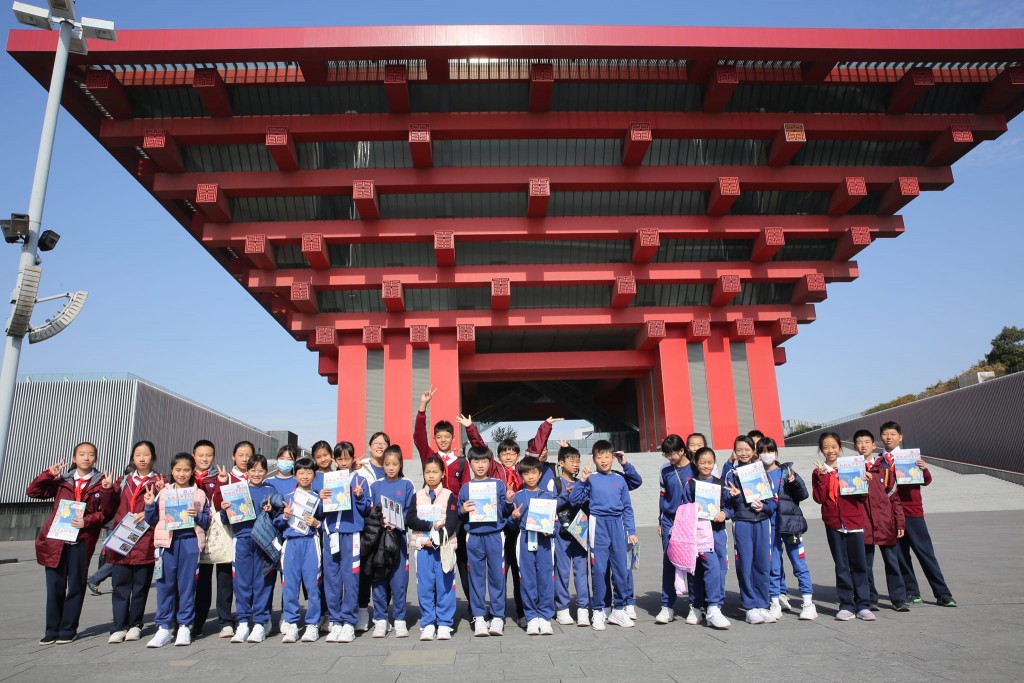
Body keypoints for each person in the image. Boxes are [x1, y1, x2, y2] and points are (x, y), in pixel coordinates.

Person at [27, 442, 114, 645]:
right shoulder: (62, 481)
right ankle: (51, 629)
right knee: (55, 586)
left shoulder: (101, 482)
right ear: (74, 458)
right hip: (57, 539)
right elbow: (33, 492)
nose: (86, 458)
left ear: (96, 458)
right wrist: (49, 474)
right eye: (82, 454)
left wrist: (89, 518)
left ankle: (68, 629)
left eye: (91, 454)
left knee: (76, 585)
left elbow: (107, 512)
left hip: (81, 540)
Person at [880, 422, 956, 607]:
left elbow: (926, 480)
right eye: (885, 434)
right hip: (891, 515)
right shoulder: (878, 461)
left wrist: (923, 469)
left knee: (925, 553)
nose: (889, 437)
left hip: (912, 512)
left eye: (893, 434)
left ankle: (942, 593)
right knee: (901, 556)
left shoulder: (911, 457)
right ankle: (911, 591)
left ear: (900, 437)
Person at [569, 440, 637, 631]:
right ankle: (598, 611)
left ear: (613, 458)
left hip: (617, 525)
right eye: (599, 457)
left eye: (607, 456)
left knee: (621, 569)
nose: (604, 460)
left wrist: (631, 531)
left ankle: (619, 609)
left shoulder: (620, 479)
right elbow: (574, 499)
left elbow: (627, 507)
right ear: (594, 459)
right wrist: (582, 480)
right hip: (597, 524)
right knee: (599, 570)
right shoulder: (591, 479)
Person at [145, 453, 212, 647]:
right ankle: (164, 627)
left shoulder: (199, 494)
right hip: (167, 545)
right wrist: (149, 506)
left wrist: (197, 515)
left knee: (187, 586)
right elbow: (152, 520)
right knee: (164, 585)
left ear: (192, 472)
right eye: (178, 470)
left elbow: (207, 521)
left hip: (189, 543)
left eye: (186, 470)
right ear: (172, 471)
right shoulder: (163, 493)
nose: (182, 474)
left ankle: (184, 626)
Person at [218, 451, 280, 643]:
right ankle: (243, 622)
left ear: (266, 471)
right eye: (253, 470)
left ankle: (260, 623)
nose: (257, 474)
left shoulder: (271, 490)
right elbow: (225, 519)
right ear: (247, 471)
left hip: (263, 541)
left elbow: (278, 517)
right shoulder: (237, 490)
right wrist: (225, 509)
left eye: (261, 470)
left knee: (263, 582)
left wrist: (271, 510)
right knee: (242, 583)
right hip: (242, 540)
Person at [811, 432, 873, 622]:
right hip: (834, 523)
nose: (830, 450)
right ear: (821, 450)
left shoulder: (853, 467)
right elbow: (819, 498)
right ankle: (846, 604)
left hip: (854, 521)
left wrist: (864, 482)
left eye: (833, 447)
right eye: (825, 447)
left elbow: (862, 497)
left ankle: (863, 604)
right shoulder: (818, 472)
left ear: (840, 448)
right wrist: (823, 477)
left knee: (859, 565)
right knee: (842, 565)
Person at [107, 441, 164, 643]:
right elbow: (108, 507)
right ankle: (118, 626)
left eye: (146, 454)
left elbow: (165, 512)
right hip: (122, 538)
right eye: (138, 454)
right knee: (120, 585)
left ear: (153, 457)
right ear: (133, 458)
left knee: (140, 586)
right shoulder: (123, 481)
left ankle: (135, 625)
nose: (142, 458)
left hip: (145, 540)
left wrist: (150, 508)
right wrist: (107, 490)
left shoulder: (160, 481)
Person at [457, 444, 513, 637]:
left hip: (495, 535)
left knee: (497, 576)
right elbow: (459, 512)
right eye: (476, 461)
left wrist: (509, 501)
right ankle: (479, 616)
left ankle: (497, 616)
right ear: (470, 463)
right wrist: (463, 510)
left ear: (490, 463)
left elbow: (505, 512)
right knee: (476, 578)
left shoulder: (498, 484)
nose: (480, 465)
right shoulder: (466, 488)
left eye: (484, 461)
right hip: (474, 536)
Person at [758, 437, 816, 620]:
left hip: (790, 525)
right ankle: (775, 602)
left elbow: (803, 494)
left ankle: (808, 603)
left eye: (769, 450)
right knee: (773, 566)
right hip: (769, 525)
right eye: (762, 451)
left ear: (776, 452)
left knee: (799, 564)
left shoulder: (787, 471)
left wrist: (794, 482)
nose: (766, 455)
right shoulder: (757, 475)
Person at [369, 445, 423, 638]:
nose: (391, 467)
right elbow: (371, 511)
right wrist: (379, 520)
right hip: (379, 540)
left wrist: (397, 523)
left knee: (399, 580)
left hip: (398, 539)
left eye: (394, 464)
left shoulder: (407, 484)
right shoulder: (375, 486)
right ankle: (380, 619)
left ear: (400, 464)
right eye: (387, 464)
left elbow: (410, 511)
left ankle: (399, 619)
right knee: (379, 579)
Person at [854, 429, 909, 612]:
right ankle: (870, 598)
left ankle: (898, 598)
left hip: (885, 523)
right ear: (855, 446)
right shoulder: (851, 470)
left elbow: (894, 497)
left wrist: (900, 522)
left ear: (873, 445)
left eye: (866, 442)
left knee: (892, 562)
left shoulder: (884, 469)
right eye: (859, 442)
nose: (863, 446)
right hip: (863, 523)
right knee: (865, 564)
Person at [724, 435, 777, 625]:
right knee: (745, 564)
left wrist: (765, 507)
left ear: (754, 451)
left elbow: (773, 502)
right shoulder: (731, 475)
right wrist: (735, 497)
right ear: (734, 452)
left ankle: (762, 604)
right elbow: (726, 502)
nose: (743, 453)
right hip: (742, 522)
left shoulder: (761, 472)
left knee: (762, 564)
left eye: (747, 449)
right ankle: (749, 607)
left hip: (762, 522)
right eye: (739, 450)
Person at [322, 441, 370, 643]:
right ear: (334, 460)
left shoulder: (360, 480)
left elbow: (367, 509)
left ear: (353, 459)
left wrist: (359, 496)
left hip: (351, 534)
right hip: (330, 533)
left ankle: (349, 621)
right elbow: (318, 510)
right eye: (339, 459)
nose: (343, 462)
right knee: (332, 578)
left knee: (350, 578)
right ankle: (335, 620)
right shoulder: (327, 480)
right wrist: (320, 497)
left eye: (347, 458)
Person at [679, 446, 732, 629]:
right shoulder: (691, 484)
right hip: (699, 533)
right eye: (703, 462)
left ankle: (714, 607)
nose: (706, 466)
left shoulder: (720, 483)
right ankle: (698, 606)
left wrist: (725, 513)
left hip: (717, 532)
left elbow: (729, 506)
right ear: (695, 463)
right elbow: (684, 507)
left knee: (719, 569)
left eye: (710, 462)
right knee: (699, 569)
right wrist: (693, 511)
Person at [409, 456, 461, 641]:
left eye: (435, 472)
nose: (431, 476)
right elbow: (411, 519)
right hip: (423, 548)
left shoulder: (449, 495)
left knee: (445, 585)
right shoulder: (417, 496)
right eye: (428, 472)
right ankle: (428, 622)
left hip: (444, 548)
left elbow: (453, 521)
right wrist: (430, 527)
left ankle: (445, 623)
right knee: (425, 586)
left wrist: (438, 538)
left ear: (442, 474)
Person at [276, 457, 324, 643]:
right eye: (301, 473)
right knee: (290, 586)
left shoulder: (318, 498)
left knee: (313, 585)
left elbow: (325, 522)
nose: (305, 476)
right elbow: (277, 523)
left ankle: (312, 624)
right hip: (291, 544)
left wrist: (317, 523)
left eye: (309, 472)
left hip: (310, 543)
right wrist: (284, 516)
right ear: (294, 475)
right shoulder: (287, 497)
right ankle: (292, 623)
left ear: (314, 476)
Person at [509, 456, 557, 635]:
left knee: (545, 579)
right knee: (527, 579)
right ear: (521, 475)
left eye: (534, 473)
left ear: (540, 474)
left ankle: (545, 617)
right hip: (525, 540)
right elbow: (510, 525)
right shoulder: (518, 496)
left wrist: (550, 530)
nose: (530, 477)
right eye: (526, 473)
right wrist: (513, 517)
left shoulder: (548, 496)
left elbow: (556, 524)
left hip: (544, 543)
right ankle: (531, 617)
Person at [192, 439, 234, 638]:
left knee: (224, 578)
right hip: (196, 534)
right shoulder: (186, 476)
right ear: (194, 456)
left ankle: (225, 620)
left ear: (214, 457)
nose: (204, 459)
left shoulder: (220, 477)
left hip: (220, 532)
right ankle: (197, 621)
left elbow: (222, 503)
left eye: (208, 455)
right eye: (201, 455)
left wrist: (222, 483)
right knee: (201, 581)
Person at [656, 434, 694, 624]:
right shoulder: (665, 470)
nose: (670, 457)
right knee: (669, 562)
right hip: (670, 521)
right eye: (667, 454)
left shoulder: (694, 467)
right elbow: (663, 496)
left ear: (682, 450)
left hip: (690, 521)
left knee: (693, 564)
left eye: (672, 453)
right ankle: (667, 606)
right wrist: (660, 520)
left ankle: (695, 605)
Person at [354, 431, 389, 631]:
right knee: (365, 570)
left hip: (386, 526)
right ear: (369, 447)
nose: (380, 446)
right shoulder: (361, 468)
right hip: (366, 526)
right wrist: (351, 469)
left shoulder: (393, 467)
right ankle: (362, 611)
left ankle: (382, 613)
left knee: (383, 568)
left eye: (384, 443)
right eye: (376, 443)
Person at [554, 445, 590, 627]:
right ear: (561, 463)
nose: (576, 464)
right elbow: (550, 504)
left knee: (581, 570)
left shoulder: (582, 482)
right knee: (562, 571)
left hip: (580, 529)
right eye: (571, 461)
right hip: (562, 531)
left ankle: (583, 608)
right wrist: (566, 497)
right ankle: (562, 608)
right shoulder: (555, 483)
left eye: (578, 461)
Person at [495, 438, 526, 627]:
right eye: (504, 453)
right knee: (499, 572)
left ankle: (522, 611)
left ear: (518, 455)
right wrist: (471, 428)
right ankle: (498, 613)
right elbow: (480, 447)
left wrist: (546, 426)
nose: (508, 456)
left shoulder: (523, 471)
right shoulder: (495, 471)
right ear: (498, 456)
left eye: (512, 453)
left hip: (517, 528)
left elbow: (536, 449)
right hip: (499, 527)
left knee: (518, 571)